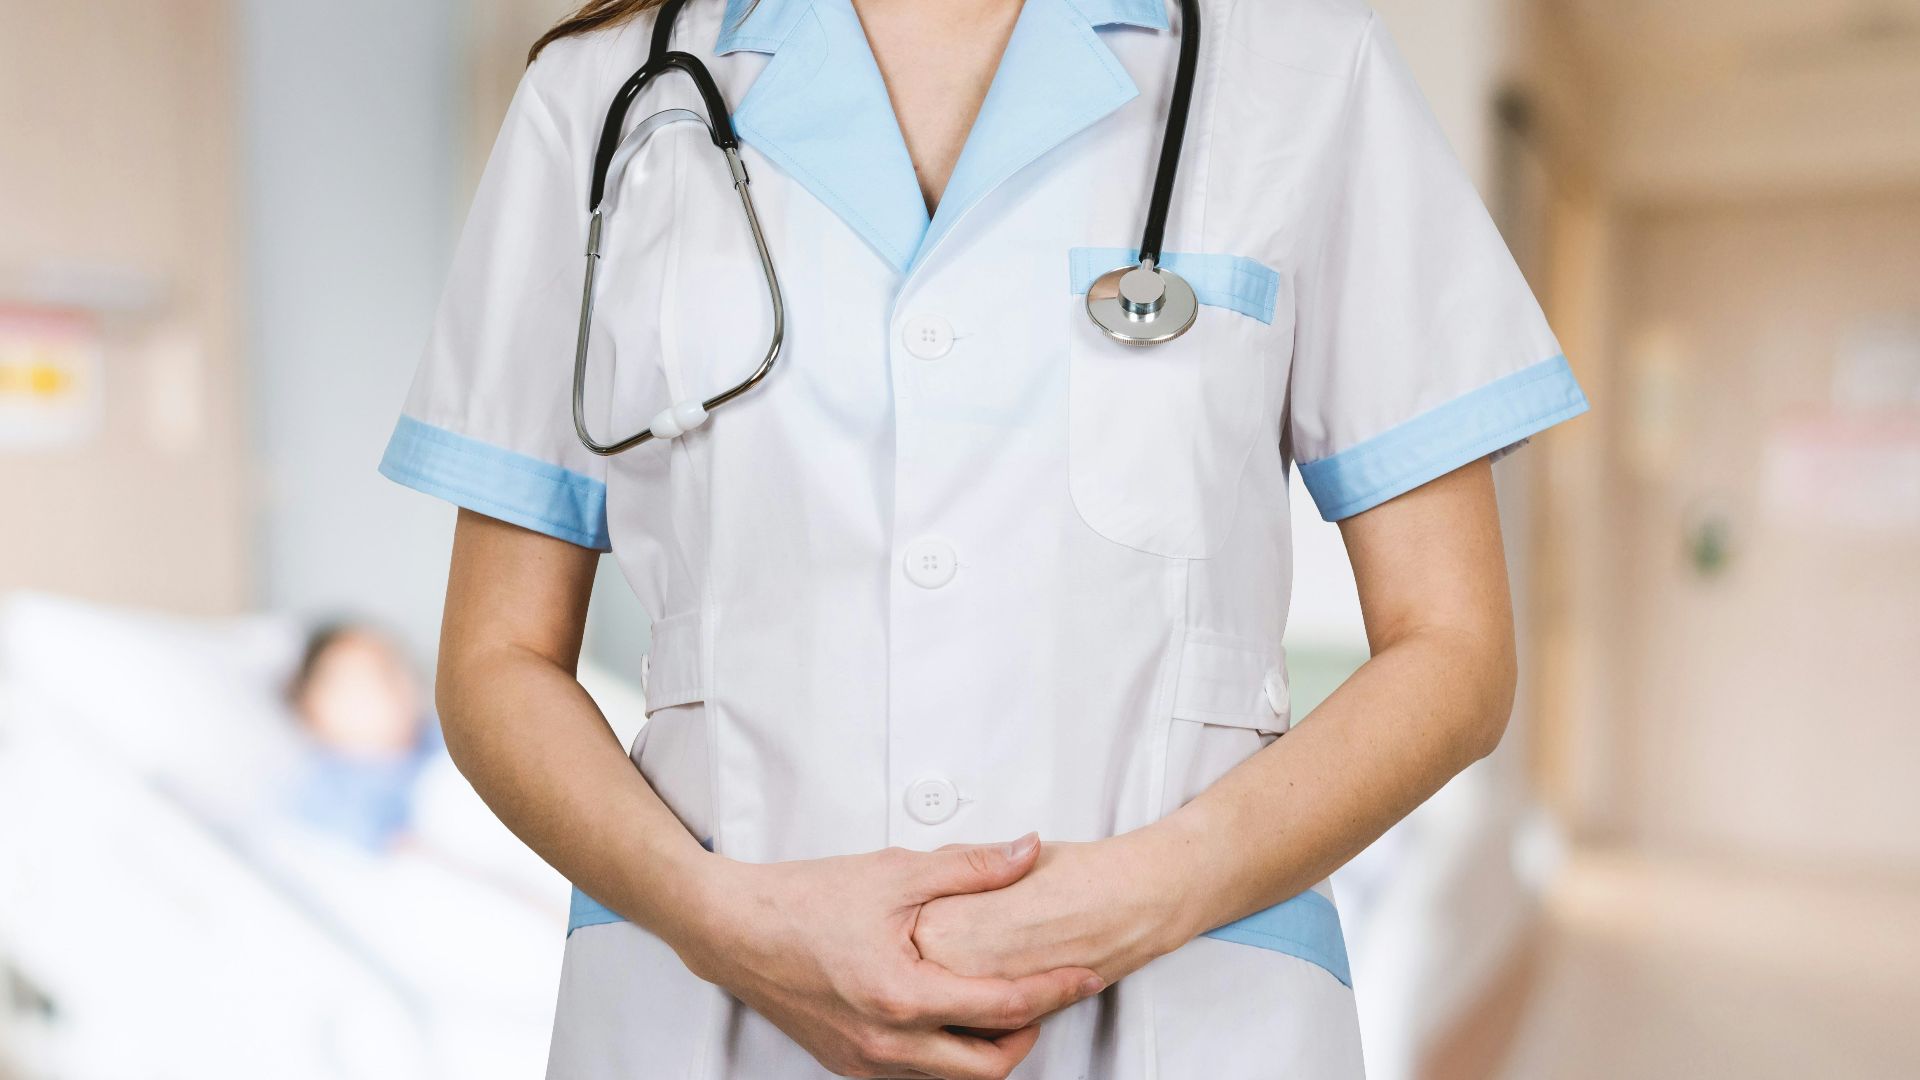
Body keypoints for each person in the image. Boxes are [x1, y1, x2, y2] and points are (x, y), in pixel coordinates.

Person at [377, 0, 1588, 1075]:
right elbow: (496, 666)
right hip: (713, 1014)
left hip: (1188, 1006)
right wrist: (721, 921)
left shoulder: (1302, 74)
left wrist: (1145, 897)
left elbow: (1455, 657)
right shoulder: (603, 96)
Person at [285, 623, 436, 852]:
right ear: (312, 707)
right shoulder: (329, 793)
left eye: (395, 668)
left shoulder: (442, 741)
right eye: (367, 677)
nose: (392, 686)